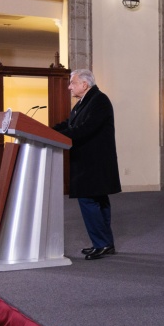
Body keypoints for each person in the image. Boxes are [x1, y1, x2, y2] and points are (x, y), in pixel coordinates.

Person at [52, 69, 121, 260]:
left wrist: (57, 136)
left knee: (90, 200)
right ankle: (104, 243)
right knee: (97, 201)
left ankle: (102, 243)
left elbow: (85, 129)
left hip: (94, 163)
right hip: (88, 161)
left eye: (72, 83)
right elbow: (70, 124)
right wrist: (47, 131)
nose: (69, 87)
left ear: (84, 84)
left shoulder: (100, 100)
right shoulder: (83, 102)